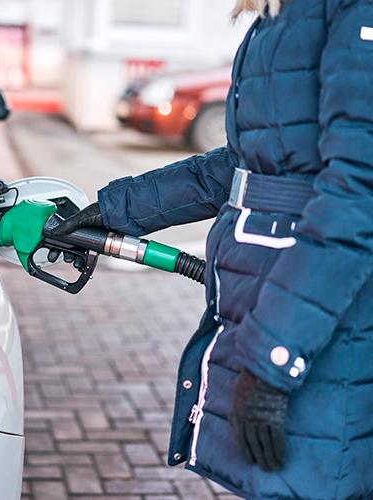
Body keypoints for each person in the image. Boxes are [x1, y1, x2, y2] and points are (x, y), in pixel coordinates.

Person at [51, 0, 373, 498]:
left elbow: (357, 197)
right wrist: (116, 208)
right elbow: (247, 165)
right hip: (277, 313)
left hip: (323, 331)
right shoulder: (285, 15)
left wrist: (274, 359)